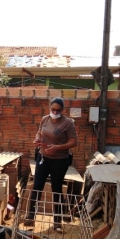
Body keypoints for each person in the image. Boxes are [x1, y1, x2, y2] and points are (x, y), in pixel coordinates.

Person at [25, 97, 77, 231]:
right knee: (37, 186)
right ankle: (30, 217)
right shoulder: (45, 119)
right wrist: (37, 138)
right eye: (53, 109)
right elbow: (39, 132)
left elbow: (73, 142)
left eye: (58, 110)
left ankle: (57, 221)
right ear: (49, 108)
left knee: (57, 189)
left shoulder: (68, 123)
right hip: (43, 158)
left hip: (60, 160)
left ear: (62, 110)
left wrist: (57, 147)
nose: (55, 112)